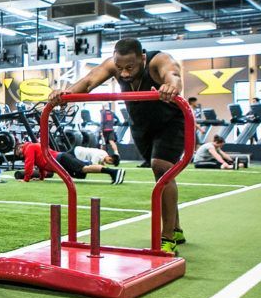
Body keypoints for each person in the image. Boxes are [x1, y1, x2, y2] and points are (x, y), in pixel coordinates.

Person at [49, 38, 185, 254]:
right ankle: (175, 228)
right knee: (161, 175)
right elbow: (89, 80)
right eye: (119, 68)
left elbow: (174, 74)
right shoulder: (115, 65)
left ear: (141, 58)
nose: (123, 74)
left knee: (162, 168)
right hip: (141, 124)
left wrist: (171, 86)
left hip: (170, 123)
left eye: (129, 67)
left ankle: (167, 238)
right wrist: (65, 96)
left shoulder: (158, 61)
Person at [17, 141, 125, 184]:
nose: (19, 154)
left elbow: (29, 163)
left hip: (61, 159)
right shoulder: (33, 147)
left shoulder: (29, 148)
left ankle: (113, 172)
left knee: (84, 168)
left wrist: (26, 179)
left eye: (18, 151)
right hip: (60, 161)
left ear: (21, 146)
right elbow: (41, 163)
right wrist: (41, 177)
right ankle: (112, 172)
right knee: (81, 171)